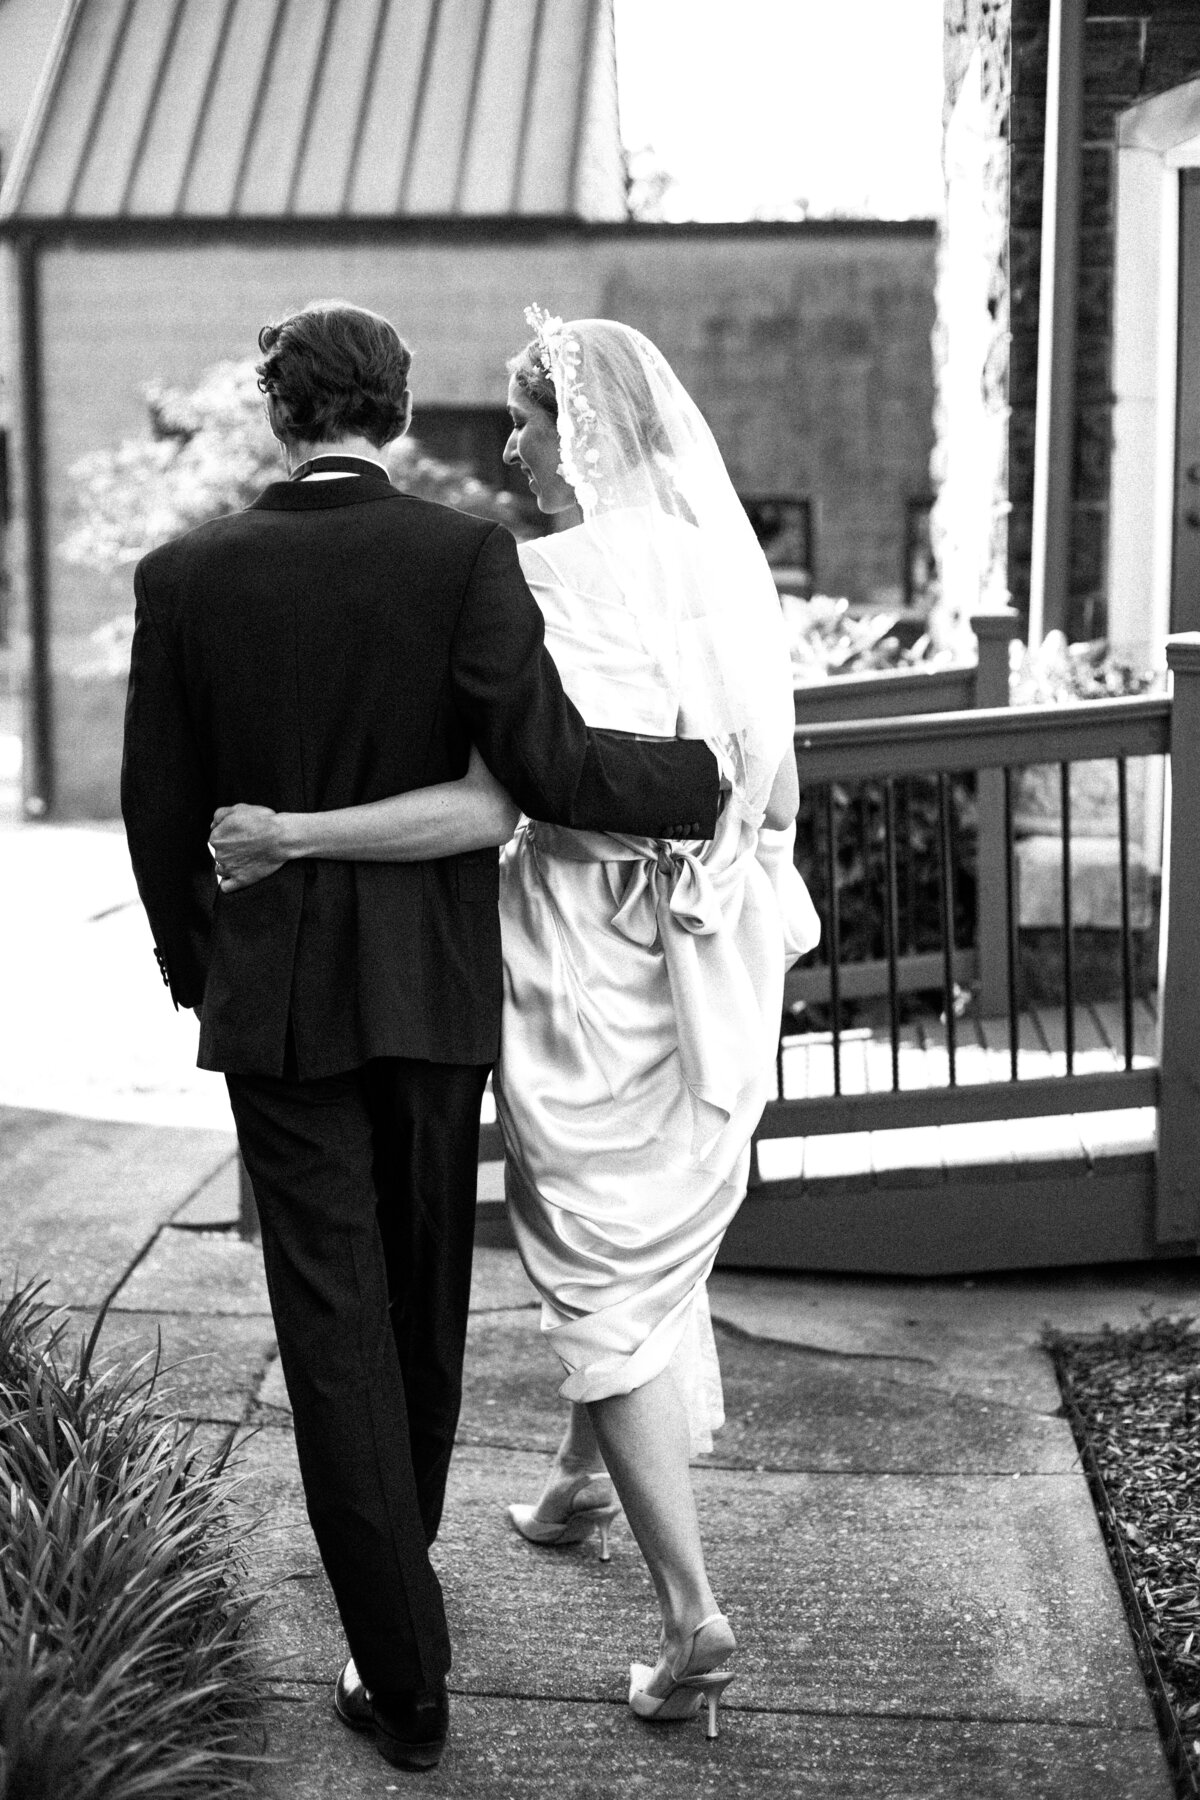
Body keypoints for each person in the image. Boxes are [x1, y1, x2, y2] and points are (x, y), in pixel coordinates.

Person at [120, 302, 724, 1774]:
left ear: (278, 414)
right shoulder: (465, 560)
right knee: (421, 1313)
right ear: (394, 415)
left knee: (332, 1335)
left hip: (277, 1010)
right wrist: (710, 781)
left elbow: (158, 818)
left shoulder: (186, 576)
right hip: (434, 997)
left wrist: (207, 978)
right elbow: (547, 765)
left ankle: (405, 1672)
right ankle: (401, 1626)